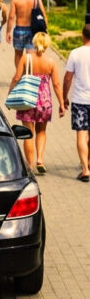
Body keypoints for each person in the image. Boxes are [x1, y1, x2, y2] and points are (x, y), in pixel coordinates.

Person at [7, 31, 65, 174]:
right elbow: (57, 85)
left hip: (28, 100)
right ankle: (40, 159)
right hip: (44, 102)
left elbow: (16, 77)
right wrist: (62, 104)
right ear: (47, 45)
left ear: (34, 42)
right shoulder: (51, 62)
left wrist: (10, 94)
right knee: (42, 131)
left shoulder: (26, 58)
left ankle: (30, 166)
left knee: (28, 133)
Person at [62, 24, 90, 182]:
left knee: (81, 133)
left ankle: (85, 169)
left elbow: (67, 78)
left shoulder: (75, 53)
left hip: (80, 100)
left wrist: (64, 97)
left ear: (83, 36)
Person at [6, 0, 47, 69]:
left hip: (19, 30)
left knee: (18, 55)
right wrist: (45, 31)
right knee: (31, 56)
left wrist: (8, 32)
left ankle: (20, 75)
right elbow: (44, 15)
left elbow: (11, 17)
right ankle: (29, 75)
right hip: (33, 30)